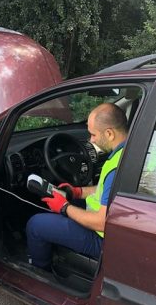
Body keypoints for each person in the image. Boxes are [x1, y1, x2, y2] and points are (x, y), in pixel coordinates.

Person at [26, 103, 128, 270]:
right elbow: (108, 191)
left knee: (35, 224)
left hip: (104, 239)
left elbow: (102, 223)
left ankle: (40, 272)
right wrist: (77, 192)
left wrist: (65, 207)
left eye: (93, 134)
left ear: (109, 133)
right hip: (121, 230)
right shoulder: (131, 151)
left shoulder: (117, 167)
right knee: (59, 205)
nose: (91, 140)